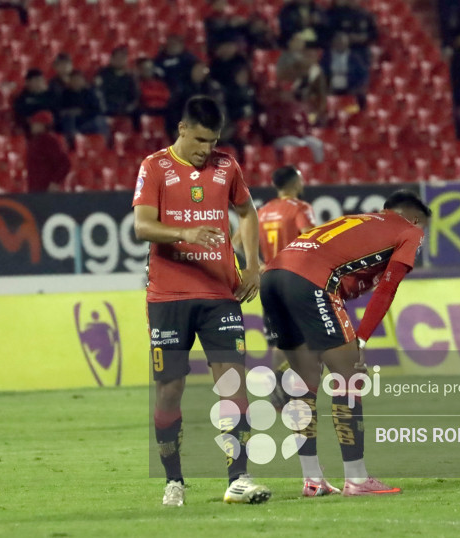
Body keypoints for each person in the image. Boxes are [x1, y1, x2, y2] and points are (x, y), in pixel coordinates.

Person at [132, 96, 271, 507]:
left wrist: (251, 265)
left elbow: (247, 212)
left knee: (233, 384)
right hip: (168, 296)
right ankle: (174, 481)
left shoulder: (227, 166)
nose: (205, 150)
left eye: (212, 141)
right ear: (181, 129)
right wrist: (186, 234)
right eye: (198, 140)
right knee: (170, 391)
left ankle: (238, 477)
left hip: (218, 295)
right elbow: (142, 226)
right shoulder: (154, 166)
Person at [260, 189, 431, 497]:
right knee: (349, 378)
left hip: (273, 276)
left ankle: (312, 480)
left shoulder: (359, 223)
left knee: (305, 385)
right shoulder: (411, 230)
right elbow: (387, 288)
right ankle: (356, 478)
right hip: (309, 280)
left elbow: (345, 282)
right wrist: (361, 340)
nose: (422, 238)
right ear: (416, 218)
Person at [256, 166, 316, 409]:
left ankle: (279, 392)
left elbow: (238, 240)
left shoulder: (263, 211)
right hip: (294, 280)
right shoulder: (300, 208)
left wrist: (258, 264)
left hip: (269, 280)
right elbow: (311, 239)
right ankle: (296, 390)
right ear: (295, 182)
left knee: (278, 340)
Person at [58, 70, 109, 146]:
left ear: (83, 81)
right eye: (74, 79)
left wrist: (82, 111)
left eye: (78, 79)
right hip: (72, 122)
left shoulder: (90, 93)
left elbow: (97, 110)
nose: (76, 82)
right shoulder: (64, 94)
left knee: (100, 121)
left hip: (88, 121)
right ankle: (72, 144)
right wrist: (70, 111)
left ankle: (102, 146)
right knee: (68, 120)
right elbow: (59, 110)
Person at [25, 111, 70, 192]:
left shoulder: (49, 140)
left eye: (35, 123)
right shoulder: (35, 140)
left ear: (43, 125)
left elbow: (64, 163)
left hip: (46, 190)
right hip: (36, 189)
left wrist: (55, 182)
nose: (32, 126)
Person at [321, 31, 368, 106]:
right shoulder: (326, 57)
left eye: (342, 42)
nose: (340, 44)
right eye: (338, 42)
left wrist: (357, 87)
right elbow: (321, 72)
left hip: (350, 88)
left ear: (347, 44)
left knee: (361, 97)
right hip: (330, 87)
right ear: (333, 43)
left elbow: (363, 74)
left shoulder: (355, 58)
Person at [96, 46, 139, 125]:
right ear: (111, 58)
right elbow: (99, 92)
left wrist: (130, 106)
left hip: (124, 106)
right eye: (117, 58)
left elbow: (134, 95)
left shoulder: (130, 76)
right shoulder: (103, 74)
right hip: (107, 105)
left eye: (122, 58)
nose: (119, 60)